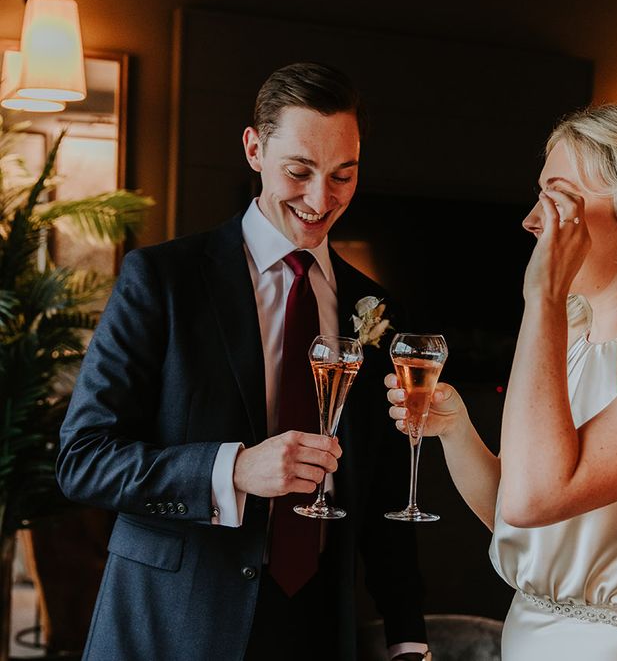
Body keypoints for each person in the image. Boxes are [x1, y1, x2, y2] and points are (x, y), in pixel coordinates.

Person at [57, 62, 429, 661]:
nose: (320, 199)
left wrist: (406, 636)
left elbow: (386, 488)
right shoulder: (162, 281)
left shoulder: (377, 308)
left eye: (343, 176)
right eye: (299, 172)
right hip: (173, 625)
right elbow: (83, 460)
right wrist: (232, 470)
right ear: (254, 149)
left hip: (316, 628)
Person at [386, 104, 617, 660]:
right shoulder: (572, 338)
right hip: (525, 637)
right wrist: (457, 431)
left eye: (556, 197)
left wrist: (545, 299)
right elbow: (521, 517)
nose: (532, 220)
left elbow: (536, 499)